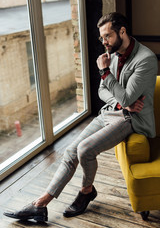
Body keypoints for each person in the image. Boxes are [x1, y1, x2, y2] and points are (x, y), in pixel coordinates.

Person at [4, 12, 158, 222]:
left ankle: (86, 192)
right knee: (70, 150)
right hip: (113, 111)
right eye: (101, 38)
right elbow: (103, 91)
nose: (104, 42)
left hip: (132, 119)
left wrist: (105, 73)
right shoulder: (111, 53)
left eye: (108, 36)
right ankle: (40, 205)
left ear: (122, 31)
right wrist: (120, 101)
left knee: (85, 149)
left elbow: (126, 94)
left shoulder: (145, 59)